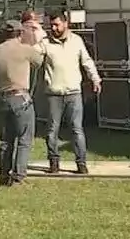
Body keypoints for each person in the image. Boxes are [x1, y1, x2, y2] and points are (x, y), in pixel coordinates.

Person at [40, 10, 100, 175]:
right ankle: (54, 163)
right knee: (52, 130)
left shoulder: (76, 41)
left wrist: (95, 78)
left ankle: (81, 163)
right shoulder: (45, 43)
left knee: (77, 129)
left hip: (74, 92)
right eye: (51, 25)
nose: (53, 28)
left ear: (66, 24)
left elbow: (86, 61)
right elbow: (35, 60)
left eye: (57, 24)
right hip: (54, 93)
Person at [0, 19, 46, 186]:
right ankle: (19, 176)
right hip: (21, 98)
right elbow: (40, 61)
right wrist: (38, 37)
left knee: (6, 140)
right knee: (24, 139)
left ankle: (3, 175)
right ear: (20, 33)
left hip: (2, 99)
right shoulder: (24, 50)